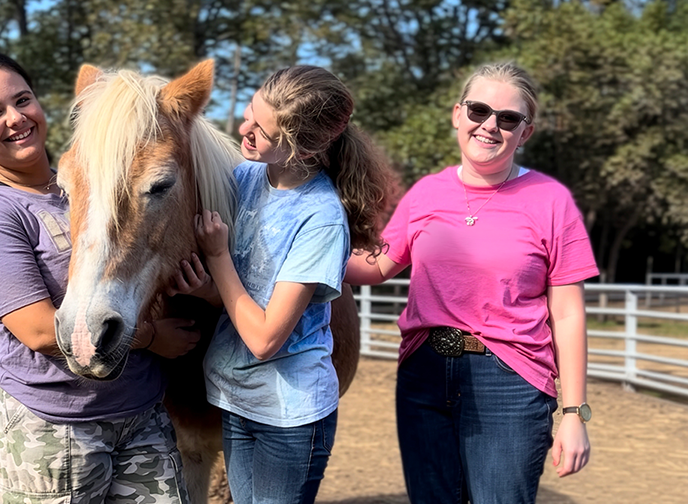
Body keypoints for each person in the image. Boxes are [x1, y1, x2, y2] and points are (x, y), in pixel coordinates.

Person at [0, 48, 199, 504]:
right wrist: (152, 338)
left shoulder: (91, 182)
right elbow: (42, 332)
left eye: (22, 100)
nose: (15, 118)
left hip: (142, 415)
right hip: (55, 427)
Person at [345, 62, 599, 504]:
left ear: (526, 132)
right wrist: (298, 247)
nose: (490, 126)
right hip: (424, 372)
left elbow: (568, 312)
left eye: (508, 118)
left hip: (511, 380)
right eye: (479, 110)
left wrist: (574, 413)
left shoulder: (551, 200)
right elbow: (375, 265)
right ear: (457, 114)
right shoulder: (426, 192)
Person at [171, 65, 394, 504]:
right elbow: (245, 297)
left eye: (262, 130)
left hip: (287, 415)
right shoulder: (246, 178)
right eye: (250, 113)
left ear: (303, 147)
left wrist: (217, 258)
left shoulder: (320, 219)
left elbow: (266, 338)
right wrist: (204, 292)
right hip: (236, 397)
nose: (244, 129)